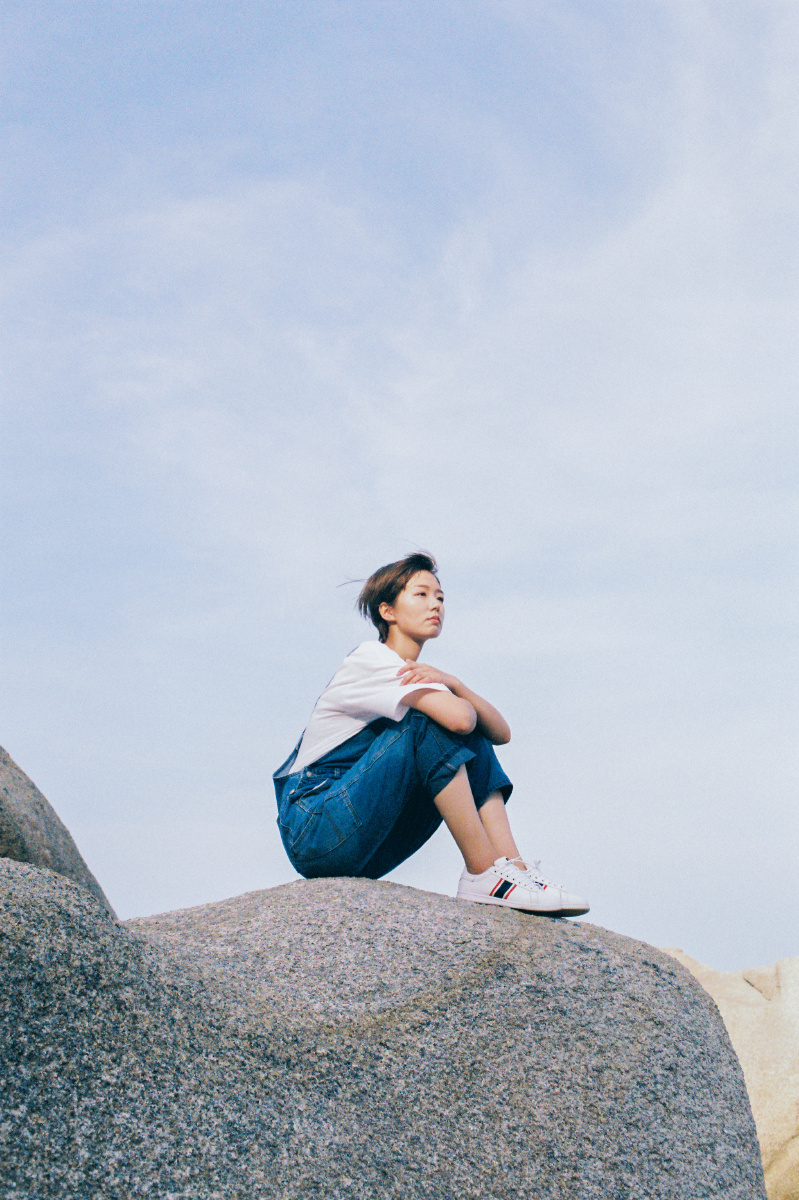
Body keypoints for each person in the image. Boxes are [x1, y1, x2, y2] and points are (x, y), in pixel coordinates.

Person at [273, 552, 589, 915]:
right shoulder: (370, 659)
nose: (435, 604)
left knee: (468, 733)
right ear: (387, 611)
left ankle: (513, 868)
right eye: (421, 595)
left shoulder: (420, 676)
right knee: (434, 724)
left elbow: (500, 732)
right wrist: (454, 695)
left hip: (363, 840)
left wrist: (454, 682)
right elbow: (461, 720)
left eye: (440, 597)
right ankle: (485, 873)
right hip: (314, 828)